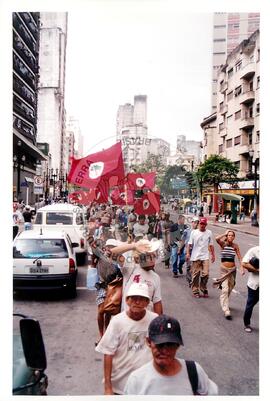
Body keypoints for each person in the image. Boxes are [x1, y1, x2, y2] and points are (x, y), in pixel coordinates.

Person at [124, 314, 218, 395]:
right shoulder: (137, 380)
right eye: (159, 344)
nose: (165, 350)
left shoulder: (194, 372)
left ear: (178, 345)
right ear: (149, 342)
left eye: (170, 345)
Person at [95, 282, 158, 395]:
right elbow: (108, 353)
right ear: (127, 300)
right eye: (133, 298)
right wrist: (107, 387)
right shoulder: (117, 321)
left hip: (146, 384)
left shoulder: (154, 320)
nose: (137, 302)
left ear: (147, 302)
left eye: (141, 299)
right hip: (120, 386)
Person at [111, 239, 163, 315]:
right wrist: (134, 246)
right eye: (149, 256)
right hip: (127, 320)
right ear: (139, 258)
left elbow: (157, 302)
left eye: (154, 256)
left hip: (147, 323)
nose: (153, 260)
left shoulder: (155, 277)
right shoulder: (129, 267)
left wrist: (160, 323)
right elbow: (110, 253)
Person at [214, 230, 243, 320]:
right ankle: (226, 310)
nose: (230, 237)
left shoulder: (235, 246)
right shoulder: (223, 244)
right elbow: (216, 238)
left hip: (232, 270)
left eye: (232, 235)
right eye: (229, 235)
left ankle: (224, 300)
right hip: (224, 270)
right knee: (225, 290)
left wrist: (242, 268)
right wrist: (224, 233)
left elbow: (239, 257)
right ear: (227, 236)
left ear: (234, 237)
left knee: (230, 287)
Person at [186, 217, 215, 298]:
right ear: (199, 224)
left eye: (204, 224)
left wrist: (213, 255)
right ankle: (195, 291)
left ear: (206, 225)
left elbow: (211, 244)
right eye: (201, 224)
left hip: (205, 256)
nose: (202, 225)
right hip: (195, 256)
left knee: (205, 274)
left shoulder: (209, 232)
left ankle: (203, 288)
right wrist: (188, 253)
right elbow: (189, 244)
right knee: (195, 275)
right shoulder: (194, 232)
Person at [242, 246, 259, 333]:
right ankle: (247, 323)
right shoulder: (254, 250)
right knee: (250, 303)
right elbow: (244, 263)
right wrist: (258, 269)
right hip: (254, 284)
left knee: (253, 302)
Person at [183, 216, 199, 286]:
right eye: (194, 222)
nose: (196, 224)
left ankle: (194, 280)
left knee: (196, 266)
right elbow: (183, 240)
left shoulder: (199, 232)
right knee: (189, 266)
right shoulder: (187, 231)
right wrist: (179, 249)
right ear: (192, 223)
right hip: (188, 250)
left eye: (197, 223)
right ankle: (190, 280)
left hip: (196, 251)